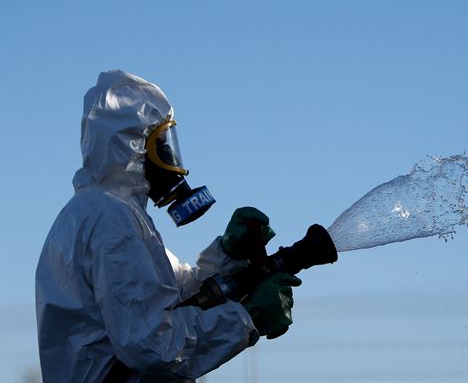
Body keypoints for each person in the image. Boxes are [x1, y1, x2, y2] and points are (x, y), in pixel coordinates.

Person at [36, 70, 301, 382]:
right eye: (162, 145)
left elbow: (176, 297)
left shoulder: (98, 212)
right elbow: (153, 344)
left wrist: (229, 255)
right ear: (132, 147)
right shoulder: (111, 219)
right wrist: (246, 318)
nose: (172, 161)